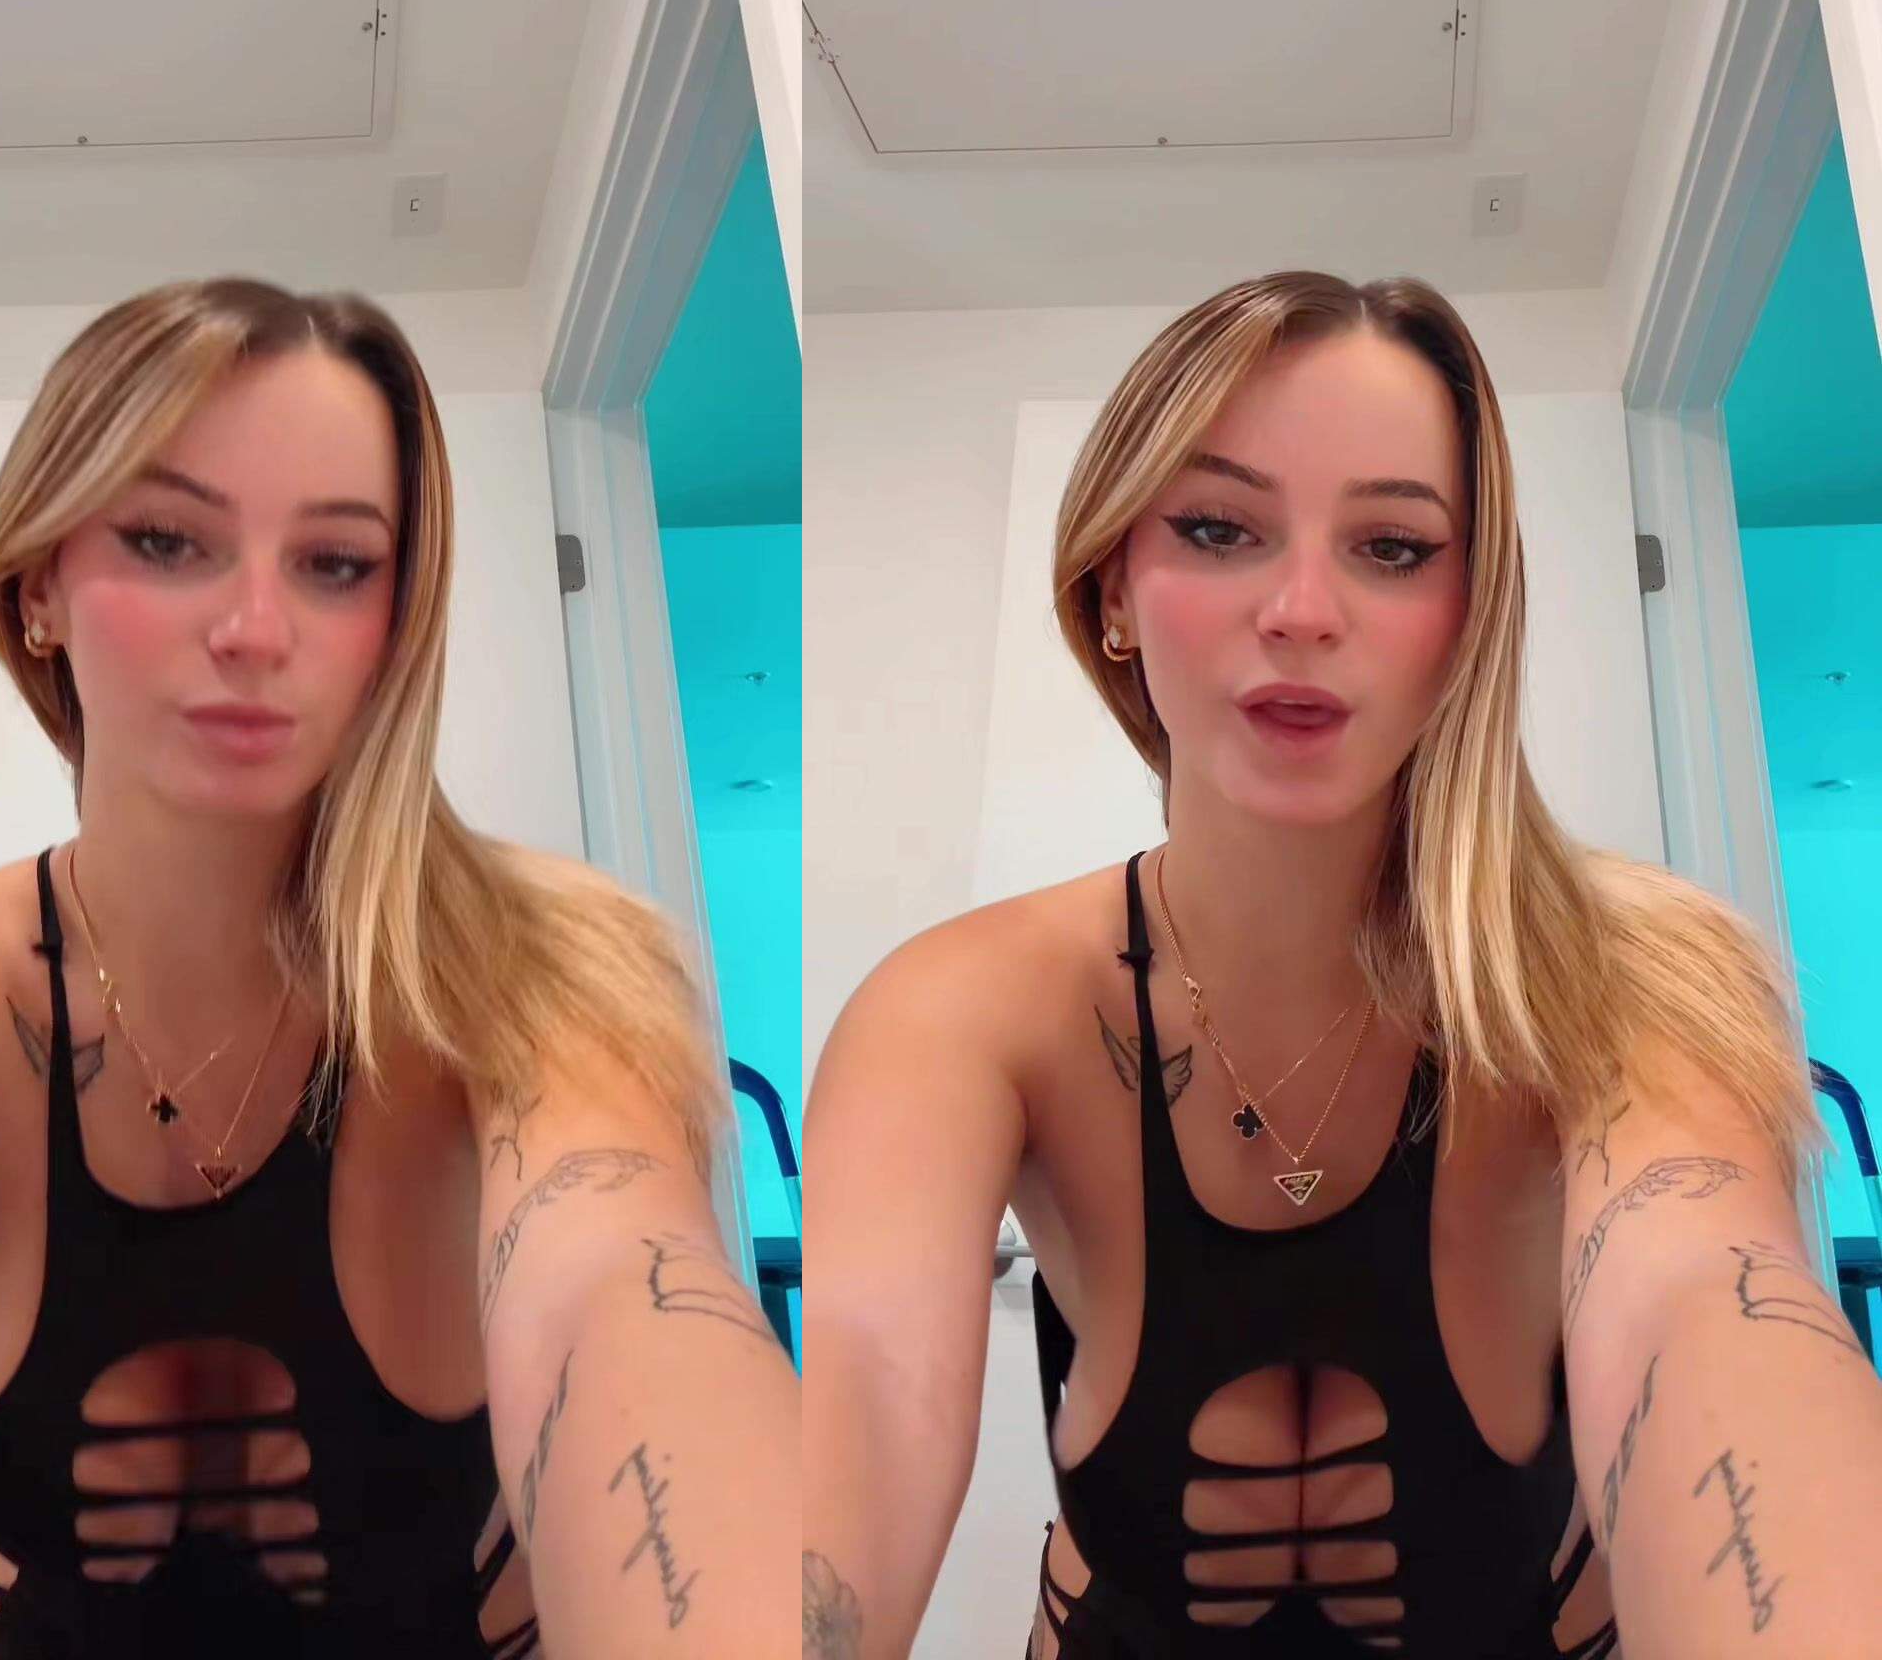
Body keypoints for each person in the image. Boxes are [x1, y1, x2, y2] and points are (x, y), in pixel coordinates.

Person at [788, 270, 1882, 1657]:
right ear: (1113, 587)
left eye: (1393, 547)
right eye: (1218, 528)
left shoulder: (1631, 985)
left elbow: (1707, 1300)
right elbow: (865, 1377)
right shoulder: (963, 1010)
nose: (1304, 610)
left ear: (1470, 614)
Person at [0, 277, 806, 1659]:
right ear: (38, 586)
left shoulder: (542, 978)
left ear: (396, 620)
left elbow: (629, 1287)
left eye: (335, 564)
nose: (255, 629)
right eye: (169, 541)